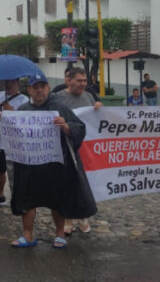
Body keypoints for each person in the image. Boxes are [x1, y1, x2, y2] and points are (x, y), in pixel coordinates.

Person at [10, 73, 97, 249]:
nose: (40, 90)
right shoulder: (23, 110)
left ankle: (59, 234)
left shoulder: (60, 108)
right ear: (30, 90)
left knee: (57, 198)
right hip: (29, 165)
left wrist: (66, 126)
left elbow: (79, 128)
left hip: (55, 165)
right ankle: (27, 235)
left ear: (48, 88)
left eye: (43, 86)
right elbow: (11, 134)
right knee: (27, 198)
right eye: (36, 87)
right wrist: (2, 122)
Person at [56, 67, 102, 234]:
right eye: (79, 81)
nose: (83, 84)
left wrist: (99, 107)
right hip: (66, 149)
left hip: (86, 149)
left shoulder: (89, 97)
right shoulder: (58, 98)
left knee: (84, 182)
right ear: (70, 81)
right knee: (68, 183)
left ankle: (83, 216)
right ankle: (68, 217)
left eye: (84, 81)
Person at [0, 79, 29, 207]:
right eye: (6, 82)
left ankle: (17, 197)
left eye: (12, 82)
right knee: (0, 170)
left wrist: (12, 113)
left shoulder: (24, 100)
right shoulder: (0, 96)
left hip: (16, 143)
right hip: (0, 142)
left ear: (17, 83)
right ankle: (0, 194)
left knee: (16, 172)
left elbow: (26, 121)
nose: (8, 84)